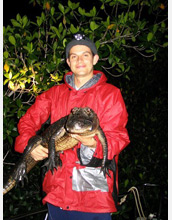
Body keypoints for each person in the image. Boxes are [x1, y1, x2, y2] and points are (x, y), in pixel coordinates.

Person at [14, 32, 130, 220]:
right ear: (68, 62)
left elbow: (118, 136)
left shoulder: (111, 94)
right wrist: (30, 145)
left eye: (85, 54)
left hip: (94, 197)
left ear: (95, 59)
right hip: (57, 191)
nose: (80, 60)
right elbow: (27, 121)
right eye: (74, 56)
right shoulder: (54, 93)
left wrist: (93, 145)